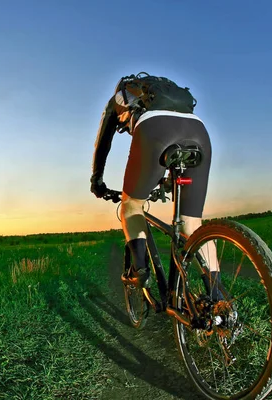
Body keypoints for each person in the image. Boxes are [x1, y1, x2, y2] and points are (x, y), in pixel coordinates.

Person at [90, 72, 221, 298]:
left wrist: (97, 180)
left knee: (130, 205)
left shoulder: (118, 99)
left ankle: (139, 271)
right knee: (192, 224)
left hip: (155, 130)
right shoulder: (169, 96)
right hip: (199, 132)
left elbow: (102, 143)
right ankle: (217, 298)